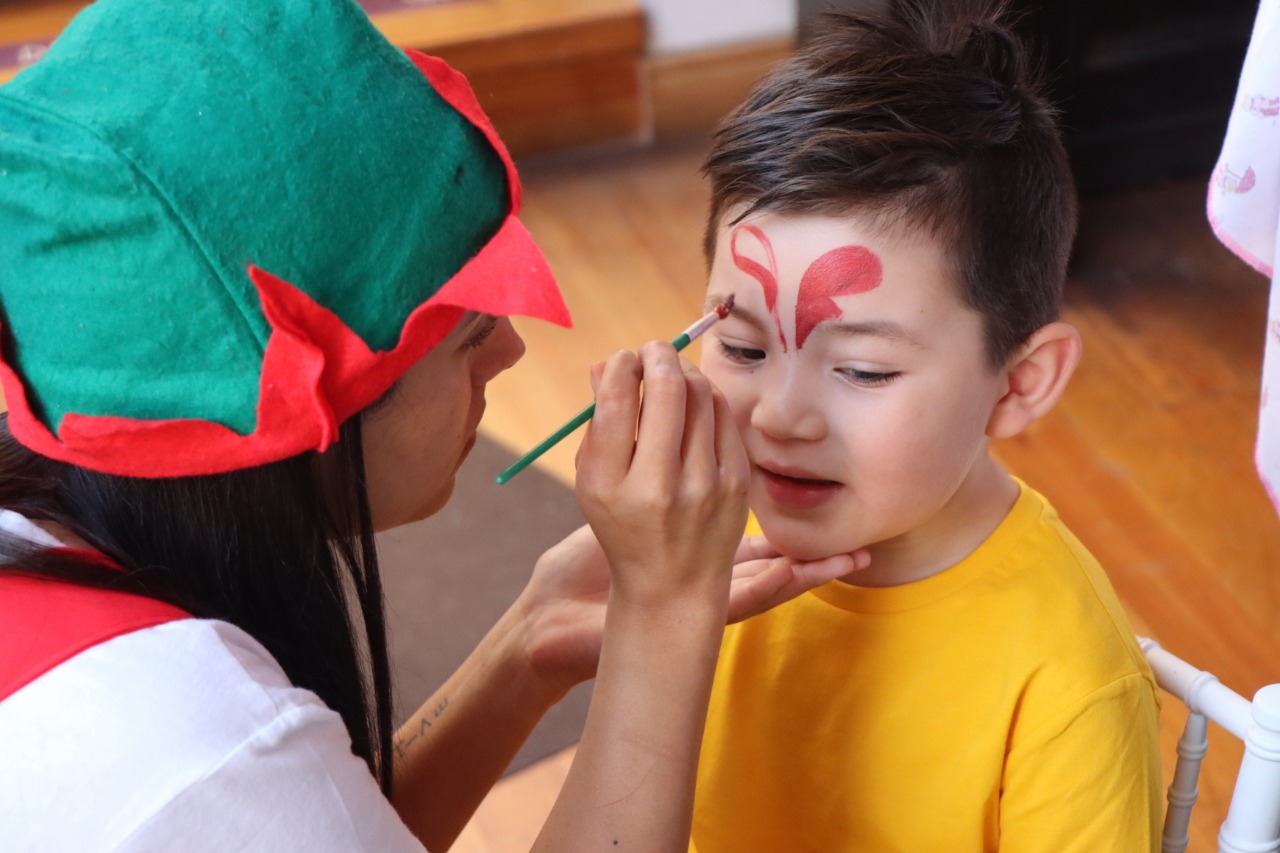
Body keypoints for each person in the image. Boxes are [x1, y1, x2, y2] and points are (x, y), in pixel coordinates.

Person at [0, 0, 869, 850]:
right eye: (470, 333)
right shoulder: (194, 757)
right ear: (319, 417)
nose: (514, 351)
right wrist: (666, 609)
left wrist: (526, 645)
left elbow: (334, 819)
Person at [687, 2, 1162, 851]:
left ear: (1020, 382)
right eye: (740, 347)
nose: (780, 416)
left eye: (863, 370)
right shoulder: (701, 549)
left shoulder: (1067, 681)